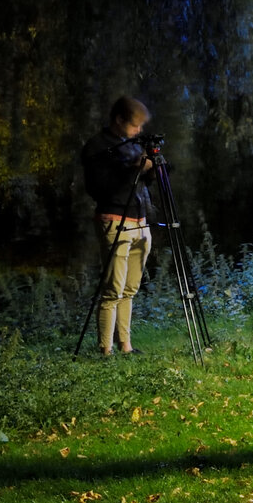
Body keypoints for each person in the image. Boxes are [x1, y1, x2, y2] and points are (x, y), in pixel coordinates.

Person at [78, 96, 160, 355]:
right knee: (113, 287)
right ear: (119, 120)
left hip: (140, 219)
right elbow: (99, 188)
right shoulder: (97, 147)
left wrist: (153, 169)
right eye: (136, 125)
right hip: (114, 219)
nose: (140, 131)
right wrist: (134, 168)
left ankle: (126, 345)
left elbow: (142, 184)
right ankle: (105, 348)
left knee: (130, 288)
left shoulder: (133, 145)